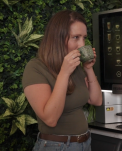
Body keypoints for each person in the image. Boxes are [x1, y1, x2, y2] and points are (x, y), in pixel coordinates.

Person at [22, 10, 102, 151]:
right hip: (57, 146)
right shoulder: (35, 68)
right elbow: (50, 119)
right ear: (58, 38)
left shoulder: (76, 67)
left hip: (84, 143)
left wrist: (88, 69)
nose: (81, 45)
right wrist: (64, 73)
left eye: (84, 38)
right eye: (75, 37)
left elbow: (96, 101)